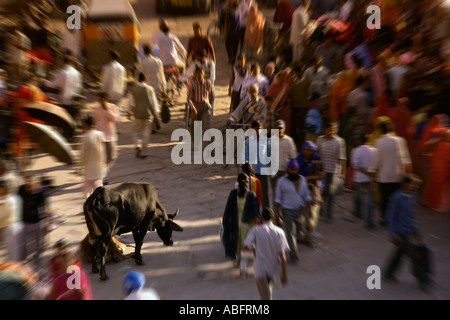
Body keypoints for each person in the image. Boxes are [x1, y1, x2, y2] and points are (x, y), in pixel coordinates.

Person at [382, 174, 432, 291]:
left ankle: (388, 273)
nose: (412, 186)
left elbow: (412, 215)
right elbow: (390, 215)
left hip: (408, 229)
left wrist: (416, 229)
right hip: (400, 231)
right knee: (414, 254)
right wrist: (391, 233)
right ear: (404, 184)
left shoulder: (411, 197)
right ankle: (423, 279)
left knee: (400, 252)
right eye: (410, 184)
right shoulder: (396, 197)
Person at [242, 207, 289, 300]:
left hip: (259, 269)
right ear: (273, 218)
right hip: (273, 269)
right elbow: (282, 256)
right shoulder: (279, 232)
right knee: (267, 295)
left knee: (265, 296)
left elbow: (244, 247)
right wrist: (284, 273)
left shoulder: (255, 230)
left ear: (261, 218)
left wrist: (254, 251)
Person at [374, 117, 412, 225]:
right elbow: (405, 159)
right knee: (396, 198)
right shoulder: (400, 140)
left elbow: (378, 161)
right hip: (397, 175)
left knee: (384, 198)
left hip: (383, 176)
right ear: (392, 128)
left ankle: (385, 219)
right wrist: (408, 173)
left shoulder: (379, 142)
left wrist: (375, 173)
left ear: (381, 130)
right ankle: (396, 218)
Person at [274, 158, 313, 263]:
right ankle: (294, 255)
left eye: (295, 169)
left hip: (300, 211)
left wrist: (309, 212)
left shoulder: (303, 180)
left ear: (298, 169)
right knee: (291, 234)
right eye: (291, 169)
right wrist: (277, 214)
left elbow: (307, 197)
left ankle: (300, 240)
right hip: (288, 211)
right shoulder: (281, 181)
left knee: (300, 232)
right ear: (287, 170)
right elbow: (278, 199)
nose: (293, 171)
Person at [222, 173, 260, 271]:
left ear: (237, 182)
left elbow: (227, 211)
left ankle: (240, 261)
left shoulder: (233, 193)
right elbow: (256, 212)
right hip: (247, 225)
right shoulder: (251, 195)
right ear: (248, 182)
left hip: (235, 225)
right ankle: (243, 265)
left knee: (238, 243)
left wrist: (225, 223)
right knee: (246, 244)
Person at [45, 54, 83, 134]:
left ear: (63, 62)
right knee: (72, 117)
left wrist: (44, 81)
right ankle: (71, 133)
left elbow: (54, 84)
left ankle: (67, 133)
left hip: (65, 99)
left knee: (65, 118)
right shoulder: (77, 73)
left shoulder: (63, 73)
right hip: (74, 99)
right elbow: (79, 86)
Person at [316, 122, 346, 222]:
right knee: (321, 191)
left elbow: (341, 158)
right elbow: (317, 154)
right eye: (330, 129)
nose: (332, 131)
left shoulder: (339, 141)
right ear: (326, 129)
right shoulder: (320, 140)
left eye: (334, 129)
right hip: (321, 171)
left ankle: (329, 215)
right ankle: (320, 209)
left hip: (333, 170)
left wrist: (342, 173)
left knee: (331, 193)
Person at [127, 73, 161, 159]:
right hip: (148, 115)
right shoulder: (150, 89)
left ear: (138, 80)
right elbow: (154, 103)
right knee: (146, 133)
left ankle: (137, 145)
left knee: (136, 131)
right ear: (146, 80)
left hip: (137, 114)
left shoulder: (133, 90)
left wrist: (128, 112)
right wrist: (156, 115)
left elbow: (129, 103)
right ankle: (144, 151)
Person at [18, 174, 48, 266]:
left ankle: (37, 260)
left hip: (37, 221)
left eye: (33, 186)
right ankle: (23, 261)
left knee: (39, 244)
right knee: (23, 245)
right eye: (28, 186)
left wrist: (45, 220)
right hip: (25, 222)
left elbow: (44, 207)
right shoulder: (20, 190)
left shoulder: (39, 192)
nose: (31, 189)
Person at [295, 141, 324, 237]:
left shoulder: (317, 160)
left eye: (309, 150)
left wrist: (308, 178)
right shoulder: (298, 159)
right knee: (300, 212)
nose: (307, 152)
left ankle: (309, 234)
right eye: (305, 149)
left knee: (311, 213)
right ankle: (300, 233)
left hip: (313, 189)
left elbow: (322, 175)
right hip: (300, 189)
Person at [350, 134, 378, 228]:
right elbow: (376, 164)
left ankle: (358, 212)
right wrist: (371, 174)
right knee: (369, 199)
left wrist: (365, 172)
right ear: (369, 140)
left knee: (358, 196)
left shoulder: (356, 150)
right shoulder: (374, 150)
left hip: (359, 177)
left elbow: (356, 165)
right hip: (369, 178)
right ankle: (369, 220)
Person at [242, 120, 271, 210]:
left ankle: (266, 214)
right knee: (252, 194)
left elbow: (269, 156)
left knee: (264, 194)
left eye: (259, 129)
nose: (257, 131)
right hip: (252, 173)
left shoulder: (266, 141)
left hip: (263, 171)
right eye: (255, 129)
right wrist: (247, 170)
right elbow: (245, 157)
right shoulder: (247, 142)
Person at [420, 128, 450, 213]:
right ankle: (439, 205)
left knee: (433, 187)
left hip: (435, 170)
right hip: (443, 172)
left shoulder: (439, 144)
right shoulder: (444, 145)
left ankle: (431, 203)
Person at [91, 92, 120, 179]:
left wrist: (107, 110)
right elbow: (95, 123)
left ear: (106, 99)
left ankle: (104, 172)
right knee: (103, 158)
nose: (100, 101)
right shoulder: (96, 110)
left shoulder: (112, 107)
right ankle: (103, 176)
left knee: (111, 157)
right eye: (99, 99)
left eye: (101, 99)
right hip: (101, 137)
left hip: (110, 136)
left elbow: (114, 119)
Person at [271, 120, 297, 208]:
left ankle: (284, 213)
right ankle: (276, 214)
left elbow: (293, 156)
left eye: (281, 128)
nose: (279, 130)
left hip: (286, 171)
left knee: (286, 192)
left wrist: (291, 170)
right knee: (275, 194)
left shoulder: (289, 141)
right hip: (274, 171)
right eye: (278, 128)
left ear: (284, 128)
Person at [79, 116, 106, 199]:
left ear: (86, 125)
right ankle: (100, 203)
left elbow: (84, 154)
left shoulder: (86, 137)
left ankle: (88, 205)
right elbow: (103, 149)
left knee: (88, 188)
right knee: (98, 186)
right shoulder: (101, 134)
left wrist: (79, 166)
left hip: (89, 167)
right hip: (99, 165)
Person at [187, 67, 214, 140]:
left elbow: (211, 96)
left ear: (204, 74)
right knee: (195, 126)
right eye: (198, 73)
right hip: (196, 106)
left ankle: (209, 144)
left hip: (205, 106)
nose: (199, 75)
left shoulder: (208, 83)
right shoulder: (192, 84)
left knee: (206, 125)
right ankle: (195, 143)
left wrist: (209, 105)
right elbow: (188, 98)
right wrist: (192, 107)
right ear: (195, 74)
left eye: (201, 73)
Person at [0, 178, 23, 262]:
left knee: (12, 254)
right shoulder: (10, 198)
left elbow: (3, 216)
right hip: (11, 227)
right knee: (12, 252)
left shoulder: (9, 200)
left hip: (10, 227)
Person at [290, 65, 312, 149]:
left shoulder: (308, 81)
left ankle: (301, 145)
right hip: (294, 106)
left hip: (303, 107)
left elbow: (310, 94)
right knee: (294, 126)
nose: (299, 74)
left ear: (303, 73)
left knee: (302, 126)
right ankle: (294, 144)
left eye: (300, 73)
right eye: (297, 73)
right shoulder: (292, 80)